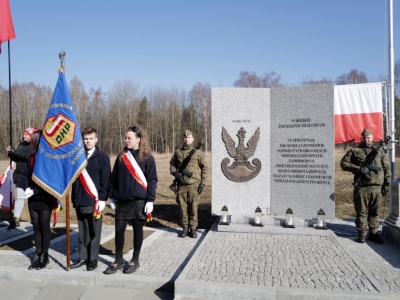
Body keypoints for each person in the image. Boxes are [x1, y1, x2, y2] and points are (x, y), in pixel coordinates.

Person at [105, 125, 157, 275]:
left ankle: (135, 258)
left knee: (137, 230)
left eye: (129, 138)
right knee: (119, 231)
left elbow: (152, 180)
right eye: (125, 137)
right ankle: (118, 259)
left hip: (138, 201)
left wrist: (150, 200)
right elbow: (113, 179)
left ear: (138, 139)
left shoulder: (147, 158)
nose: (126, 140)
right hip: (122, 201)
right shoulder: (122, 156)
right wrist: (112, 197)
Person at [340, 128, 391, 244]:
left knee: (375, 212)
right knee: (362, 212)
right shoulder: (354, 151)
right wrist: (358, 169)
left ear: (372, 138)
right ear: (361, 138)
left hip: (377, 188)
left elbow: (386, 169)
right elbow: (343, 164)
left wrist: (386, 184)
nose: (366, 139)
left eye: (368, 138)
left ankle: (374, 234)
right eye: (364, 138)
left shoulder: (379, 152)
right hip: (362, 188)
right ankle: (362, 233)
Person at [70, 127, 110, 271]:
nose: (88, 141)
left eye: (91, 138)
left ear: (96, 139)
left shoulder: (102, 157)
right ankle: (82, 257)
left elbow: (106, 180)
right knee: (82, 231)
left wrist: (102, 199)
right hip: (79, 199)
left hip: (94, 201)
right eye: (85, 139)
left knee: (94, 231)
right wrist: (74, 197)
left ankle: (93, 259)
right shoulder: (78, 156)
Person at [21, 130, 54, 270]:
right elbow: (24, 174)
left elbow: (50, 180)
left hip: (45, 196)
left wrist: (35, 190)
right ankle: (37, 254)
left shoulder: (49, 159)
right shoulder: (32, 157)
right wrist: (26, 187)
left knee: (44, 225)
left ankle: (44, 256)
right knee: (35, 226)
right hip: (32, 198)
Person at [170, 129, 208, 238]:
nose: (187, 139)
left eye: (189, 137)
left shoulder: (198, 153)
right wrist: (176, 174)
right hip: (181, 185)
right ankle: (185, 228)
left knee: (193, 208)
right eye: (185, 137)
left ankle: (193, 229)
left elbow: (205, 168)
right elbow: (172, 165)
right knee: (183, 208)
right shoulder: (178, 152)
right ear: (183, 138)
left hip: (194, 185)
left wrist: (203, 183)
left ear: (193, 139)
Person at [6, 127, 37, 228]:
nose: (24, 136)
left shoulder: (34, 146)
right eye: (24, 134)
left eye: (26, 134)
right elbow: (17, 157)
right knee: (19, 197)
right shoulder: (21, 145)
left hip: (31, 177)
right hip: (20, 175)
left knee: (32, 199)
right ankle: (16, 219)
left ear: (31, 135)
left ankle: (35, 219)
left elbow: (26, 156)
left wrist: (15, 152)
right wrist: (11, 153)